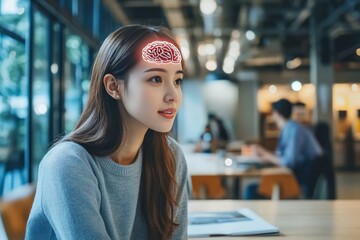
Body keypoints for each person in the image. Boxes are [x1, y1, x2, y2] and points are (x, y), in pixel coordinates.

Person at [26, 25, 188, 240]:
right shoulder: (68, 163)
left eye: (177, 80)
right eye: (156, 79)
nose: (173, 96)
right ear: (113, 86)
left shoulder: (171, 156)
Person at [245, 98, 323, 199]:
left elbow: (288, 161)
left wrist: (264, 153)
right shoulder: (289, 128)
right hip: (297, 175)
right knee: (253, 188)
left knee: (251, 191)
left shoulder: (294, 130)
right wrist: (264, 155)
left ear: (276, 113)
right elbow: (281, 156)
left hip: (298, 180)